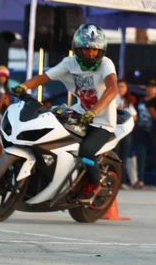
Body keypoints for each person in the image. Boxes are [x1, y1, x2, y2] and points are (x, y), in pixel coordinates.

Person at [14, 24, 118, 202]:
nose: (90, 54)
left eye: (95, 50)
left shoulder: (106, 64)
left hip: (102, 122)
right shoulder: (69, 63)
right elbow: (44, 77)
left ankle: (94, 183)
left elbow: (113, 89)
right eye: (86, 49)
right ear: (77, 49)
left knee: (86, 152)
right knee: (50, 125)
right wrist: (23, 86)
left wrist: (93, 112)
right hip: (80, 113)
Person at [116, 79, 137, 188]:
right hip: (114, 132)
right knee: (114, 155)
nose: (120, 89)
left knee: (123, 157)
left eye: (122, 87)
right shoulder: (112, 98)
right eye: (118, 86)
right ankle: (113, 180)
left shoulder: (128, 101)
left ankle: (121, 182)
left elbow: (134, 115)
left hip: (126, 132)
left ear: (126, 89)